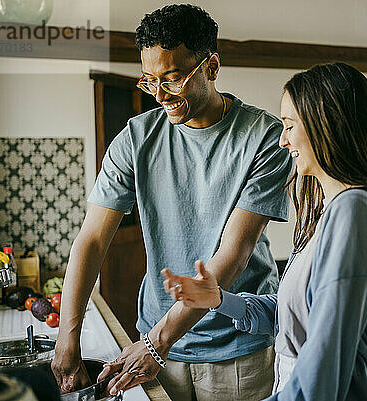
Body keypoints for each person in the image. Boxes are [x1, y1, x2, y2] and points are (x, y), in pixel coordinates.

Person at [51, 4, 292, 401]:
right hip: (159, 345)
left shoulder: (264, 137)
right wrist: (67, 335)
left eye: (173, 78)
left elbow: (233, 256)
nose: (160, 95)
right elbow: (91, 239)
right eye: (149, 81)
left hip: (238, 349)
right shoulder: (135, 139)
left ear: (211, 67)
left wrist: (155, 343)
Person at [163, 62, 367, 400]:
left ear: (325, 126)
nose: (283, 141)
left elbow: (324, 359)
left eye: (288, 126)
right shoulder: (332, 211)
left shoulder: (355, 212)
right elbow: (297, 314)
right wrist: (218, 299)